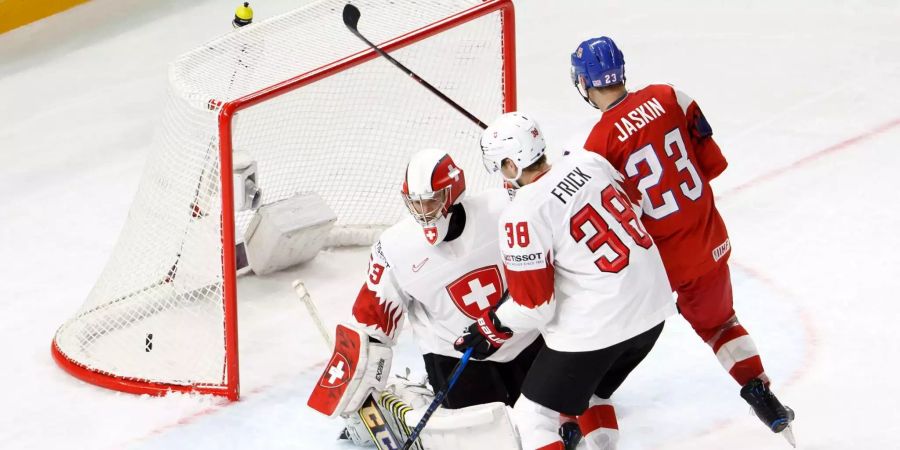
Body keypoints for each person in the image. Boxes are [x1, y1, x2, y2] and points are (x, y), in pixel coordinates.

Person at [569, 36, 795, 440]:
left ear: (584, 82)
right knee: (722, 325)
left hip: (656, 268)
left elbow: (616, 219)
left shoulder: (598, 145)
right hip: (709, 242)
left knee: (595, 357)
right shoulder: (671, 96)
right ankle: (759, 391)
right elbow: (709, 164)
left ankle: (591, 432)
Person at [455, 112, 676, 450]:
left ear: (513, 166)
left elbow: (535, 308)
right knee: (593, 390)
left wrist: (491, 326)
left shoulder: (522, 213)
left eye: (501, 166)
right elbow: (636, 204)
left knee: (532, 419)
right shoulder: (589, 161)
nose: (501, 175)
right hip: (653, 311)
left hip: (600, 325)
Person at [308, 148, 542, 447]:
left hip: (523, 337)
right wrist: (356, 373)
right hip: (456, 354)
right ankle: (405, 398)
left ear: (453, 193)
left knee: (547, 424)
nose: (423, 211)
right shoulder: (395, 247)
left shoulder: (501, 207)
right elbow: (373, 320)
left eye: (431, 200)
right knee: (486, 441)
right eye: (415, 203)